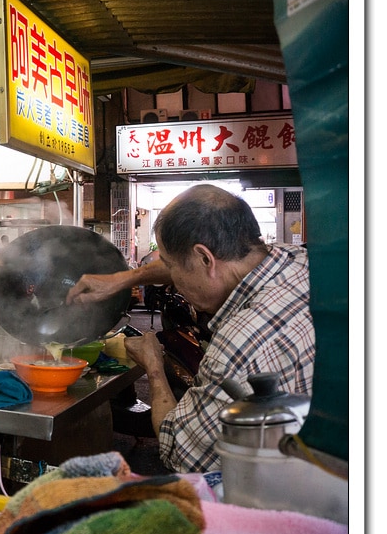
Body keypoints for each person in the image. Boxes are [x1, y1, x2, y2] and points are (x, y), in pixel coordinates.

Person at [66, 184, 314, 473]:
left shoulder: (241, 345)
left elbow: (182, 454)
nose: (173, 280)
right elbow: (190, 264)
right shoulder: (296, 259)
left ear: (205, 259)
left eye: (171, 265)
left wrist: (153, 366)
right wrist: (122, 279)